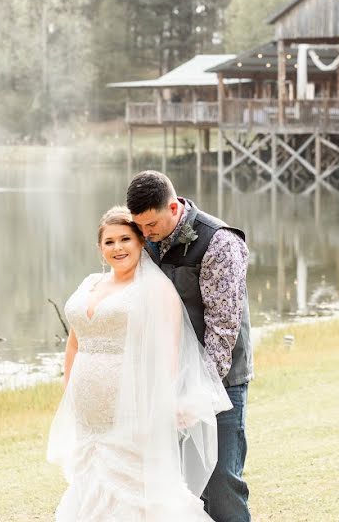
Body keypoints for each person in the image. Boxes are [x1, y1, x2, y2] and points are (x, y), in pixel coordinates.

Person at [47, 205, 231, 521]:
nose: (117, 248)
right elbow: (76, 342)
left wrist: (155, 406)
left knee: (135, 493)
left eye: (125, 240)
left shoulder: (155, 289)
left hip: (131, 408)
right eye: (109, 242)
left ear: (141, 243)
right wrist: (70, 392)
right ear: (99, 247)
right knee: (91, 485)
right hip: (89, 413)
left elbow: (168, 353)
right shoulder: (90, 283)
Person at [126, 171, 253, 522]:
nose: (145, 234)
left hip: (220, 380)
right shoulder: (145, 237)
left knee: (221, 482)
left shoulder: (220, 243)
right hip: (166, 376)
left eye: (150, 225)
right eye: (140, 226)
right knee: (175, 485)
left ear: (173, 206)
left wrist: (197, 395)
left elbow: (223, 329)